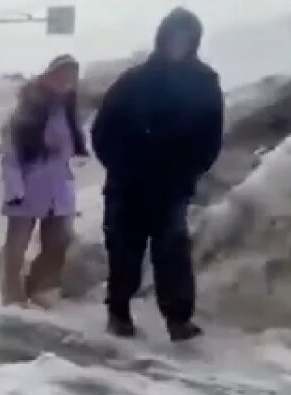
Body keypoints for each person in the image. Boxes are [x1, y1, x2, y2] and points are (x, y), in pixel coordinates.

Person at [91, 7, 224, 342]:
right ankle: (119, 312)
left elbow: (212, 135)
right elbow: (103, 129)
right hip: (128, 184)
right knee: (124, 250)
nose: (178, 44)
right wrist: (119, 165)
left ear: (194, 41)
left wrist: (192, 169)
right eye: (173, 37)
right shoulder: (134, 80)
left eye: (186, 38)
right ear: (162, 38)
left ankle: (178, 319)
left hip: (172, 186)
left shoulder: (204, 83)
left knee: (173, 252)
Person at [0, 54, 88, 307]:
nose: (67, 82)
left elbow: (70, 149)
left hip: (58, 187)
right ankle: (11, 290)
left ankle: (38, 284)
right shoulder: (29, 107)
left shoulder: (67, 109)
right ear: (51, 75)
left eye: (72, 77)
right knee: (18, 241)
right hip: (28, 184)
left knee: (59, 240)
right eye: (63, 75)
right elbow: (11, 152)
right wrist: (15, 188)